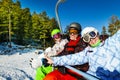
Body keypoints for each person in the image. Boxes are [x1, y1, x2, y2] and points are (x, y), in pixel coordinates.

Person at [45, 27, 120, 80]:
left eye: (92, 34)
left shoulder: (112, 41)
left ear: (97, 33)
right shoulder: (88, 51)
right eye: (87, 38)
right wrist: (54, 60)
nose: (91, 39)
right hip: (95, 77)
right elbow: (73, 58)